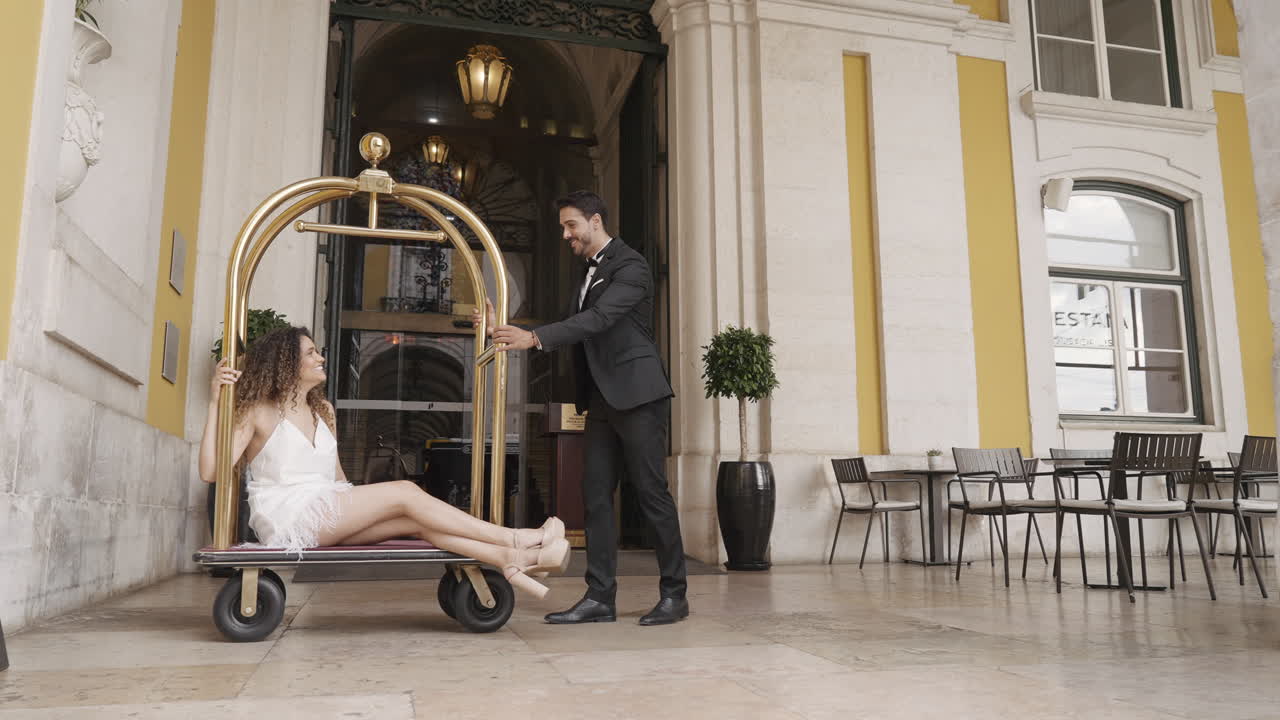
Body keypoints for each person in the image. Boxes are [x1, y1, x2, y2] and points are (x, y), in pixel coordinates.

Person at [198, 326, 568, 598]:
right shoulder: (258, 412)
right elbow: (211, 471)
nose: (320, 358)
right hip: (290, 518)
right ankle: (518, 538)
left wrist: (366, 507)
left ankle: (507, 559)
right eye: (310, 353)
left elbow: (337, 477)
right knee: (405, 491)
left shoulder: (323, 410)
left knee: (413, 520)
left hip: (327, 509)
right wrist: (216, 403)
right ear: (286, 362)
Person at [478, 190, 689, 625]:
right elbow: (571, 326)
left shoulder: (631, 266)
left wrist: (534, 338)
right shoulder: (585, 274)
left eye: (571, 225)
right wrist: (506, 329)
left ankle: (675, 595)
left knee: (652, 495)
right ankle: (600, 597)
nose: (565, 234)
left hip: (638, 395)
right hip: (600, 399)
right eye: (563, 227)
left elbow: (599, 319)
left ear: (595, 221)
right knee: (594, 497)